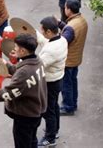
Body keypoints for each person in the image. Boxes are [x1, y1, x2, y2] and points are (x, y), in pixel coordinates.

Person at [0, 34, 47, 148]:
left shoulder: (24, 72)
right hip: (36, 111)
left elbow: (6, 94)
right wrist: (6, 65)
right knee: (32, 140)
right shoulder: (37, 61)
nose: (14, 49)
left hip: (25, 115)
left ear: (22, 51)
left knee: (23, 144)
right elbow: (21, 75)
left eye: (16, 47)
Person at [36, 16, 68, 146]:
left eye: (43, 31)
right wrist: (34, 33)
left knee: (47, 110)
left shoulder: (51, 50)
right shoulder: (61, 39)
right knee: (54, 106)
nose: (42, 33)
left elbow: (38, 65)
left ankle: (50, 138)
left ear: (49, 31)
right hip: (57, 79)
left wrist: (21, 60)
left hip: (50, 82)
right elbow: (45, 41)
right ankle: (55, 130)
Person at [58, 0, 88, 116]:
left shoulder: (71, 27)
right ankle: (73, 103)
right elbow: (72, 32)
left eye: (65, 7)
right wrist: (61, 24)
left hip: (68, 60)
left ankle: (67, 107)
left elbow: (63, 41)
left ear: (69, 10)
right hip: (76, 58)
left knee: (66, 85)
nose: (64, 9)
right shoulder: (81, 20)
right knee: (73, 82)